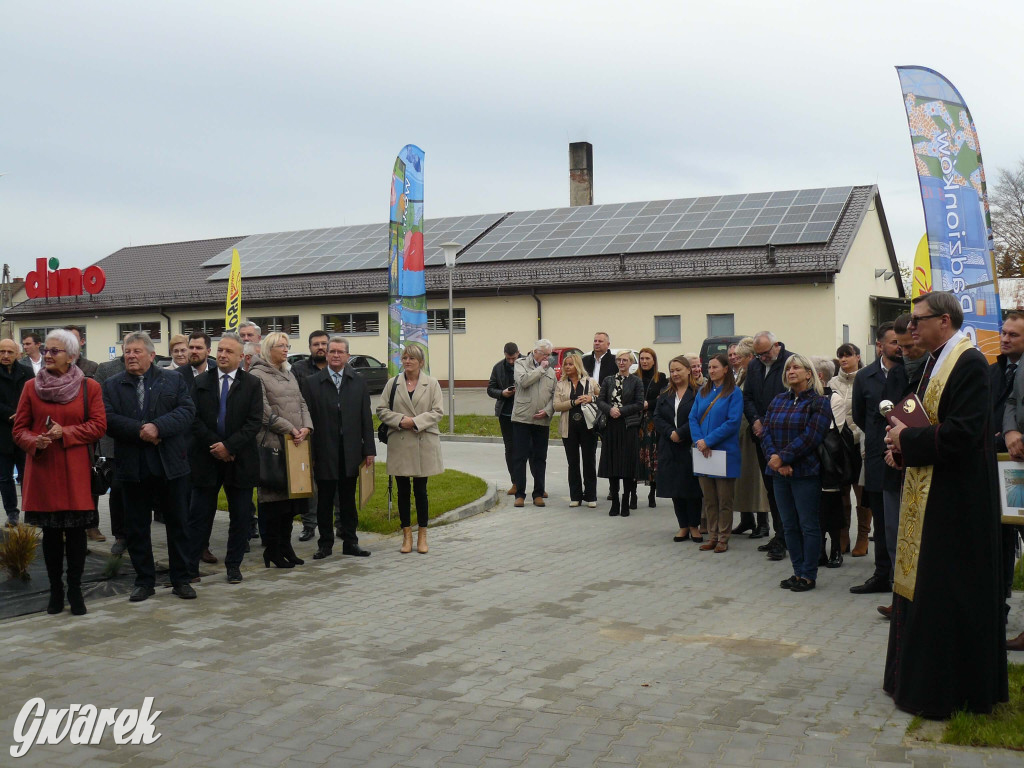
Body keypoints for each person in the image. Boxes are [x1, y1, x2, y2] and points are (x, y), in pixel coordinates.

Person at [883, 291, 1007, 718]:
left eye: (918, 320)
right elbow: (927, 422)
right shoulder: (937, 360)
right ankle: (912, 681)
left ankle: (944, 690)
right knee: (924, 588)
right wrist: (900, 447)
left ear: (945, 321)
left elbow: (963, 434)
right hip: (935, 490)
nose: (911, 328)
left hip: (959, 501)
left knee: (946, 592)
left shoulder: (969, 362)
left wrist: (908, 439)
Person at [12, 330, 106, 615]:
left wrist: (65, 432)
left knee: (77, 535)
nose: (48, 355)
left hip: (76, 470)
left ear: (72, 356)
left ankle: (75, 590)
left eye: (55, 351)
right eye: (47, 350)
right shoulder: (31, 387)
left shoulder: (89, 387)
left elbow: (99, 426)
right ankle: (56, 591)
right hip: (43, 471)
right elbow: (19, 430)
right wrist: (34, 441)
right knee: (51, 536)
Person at [102, 332, 196, 602]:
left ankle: (181, 579)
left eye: (136, 351)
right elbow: (108, 419)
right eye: (127, 351)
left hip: (171, 465)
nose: (130, 356)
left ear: (152, 355)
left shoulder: (173, 379)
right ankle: (144, 581)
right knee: (137, 527)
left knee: (178, 524)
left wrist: (158, 428)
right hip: (133, 466)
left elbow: (186, 411)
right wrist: (140, 430)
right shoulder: (112, 384)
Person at [186, 332, 263, 584]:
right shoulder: (200, 382)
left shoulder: (251, 384)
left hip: (239, 459)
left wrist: (229, 447)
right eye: (220, 350)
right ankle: (190, 568)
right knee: (200, 515)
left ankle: (233, 565)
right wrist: (216, 447)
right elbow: (193, 419)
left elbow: (254, 422)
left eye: (229, 351)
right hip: (206, 458)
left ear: (241, 357)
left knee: (240, 515)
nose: (222, 355)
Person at [762, 354, 831, 592]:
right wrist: (776, 460)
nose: (791, 371)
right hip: (779, 472)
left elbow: (812, 436)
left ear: (809, 373)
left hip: (805, 472)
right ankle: (797, 571)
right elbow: (766, 432)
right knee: (788, 525)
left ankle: (809, 575)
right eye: (788, 368)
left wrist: (785, 457)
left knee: (808, 525)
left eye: (796, 368)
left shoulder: (819, 402)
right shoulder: (778, 400)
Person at [303, 336, 376, 559]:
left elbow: (366, 417)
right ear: (326, 354)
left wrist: (369, 449)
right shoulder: (312, 382)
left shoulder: (358, 381)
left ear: (347, 355)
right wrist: (311, 453)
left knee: (347, 500)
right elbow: (309, 420)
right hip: (324, 450)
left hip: (351, 450)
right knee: (324, 499)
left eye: (340, 352)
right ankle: (325, 544)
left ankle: (350, 542)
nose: (335, 355)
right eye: (331, 351)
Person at [247, 332, 313, 568]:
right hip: (273, 445)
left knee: (290, 502)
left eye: (287, 345)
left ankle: (286, 546)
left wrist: (306, 427)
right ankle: (272, 550)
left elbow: (301, 402)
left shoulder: (288, 372)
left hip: (294, 444)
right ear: (268, 349)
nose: (286, 350)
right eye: (281, 346)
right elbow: (263, 412)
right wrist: (290, 429)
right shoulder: (257, 375)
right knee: (274, 502)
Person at [850, 322, 904, 596]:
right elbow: (860, 415)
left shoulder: (912, 372)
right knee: (883, 521)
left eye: (901, 341)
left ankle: (906, 578)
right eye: (893, 342)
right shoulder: (865, 376)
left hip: (908, 456)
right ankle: (883, 574)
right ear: (880, 346)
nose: (899, 346)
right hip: (877, 457)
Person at [376, 345, 443, 553]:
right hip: (400, 441)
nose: (407, 361)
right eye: (404, 357)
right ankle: (406, 536)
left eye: (412, 358)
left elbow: (438, 411)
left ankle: (422, 535)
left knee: (421, 491)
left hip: (423, 440)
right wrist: (400, 420)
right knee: (402, 491)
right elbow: (381, 410)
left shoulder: (431, 384)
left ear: (421, 362)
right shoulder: (392, 383)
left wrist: (414, 421)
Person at [743, 331, 796, 554]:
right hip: (761, 436)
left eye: (765, 353)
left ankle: (789, 538)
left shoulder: (791, 363)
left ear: (776, 345)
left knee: (785, 489)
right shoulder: (755, 366)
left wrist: (767, 422)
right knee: (771, 489)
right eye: (758, 354)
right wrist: (755, 420)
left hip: (784, 437)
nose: (762, 358)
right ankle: (779, 535)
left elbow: (793, 398)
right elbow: (748, 397)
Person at [689, 353, 743, 553]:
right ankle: (712, 535)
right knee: (709, 499)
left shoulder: (734, 393)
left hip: (724, 453)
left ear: (726, 369)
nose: (711, 371)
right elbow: (693, 417)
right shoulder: (703, 391)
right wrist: (699, 441)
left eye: (715, 367)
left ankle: (723, 537)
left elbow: (733, 422)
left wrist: (708, 440)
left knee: (724, 500)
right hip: (703, 452)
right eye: (709, 367)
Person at [653, 356, 702, 541]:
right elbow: (657, 417)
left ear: (689, 370)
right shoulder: (665, 393)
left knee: (692, 488)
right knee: (675, 487)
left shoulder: (698, 392)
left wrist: (681, 432)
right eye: (672, 370)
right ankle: (682, 525)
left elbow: (699, 416)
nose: (674, 374)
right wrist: (670, 432)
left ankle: (694, 525)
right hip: (669, 445)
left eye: (678, 370)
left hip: (689, 445)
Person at [998, 316, 1024, 652]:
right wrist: (1011, 432)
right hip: (1016, 465)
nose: (1005, 338)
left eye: (1013, 334)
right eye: (1003, 332)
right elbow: (1012, 403)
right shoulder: (1011, 369)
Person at [291, 329, 332, 542]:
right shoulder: (299, 369)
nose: (320, 347)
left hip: (333, 434)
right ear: (310, 348)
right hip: (308, 431)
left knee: (336, 479)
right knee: (309, 481)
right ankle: (309, 525)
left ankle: (341, 523)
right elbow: (297, 400)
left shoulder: (338, 367)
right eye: (316, 344)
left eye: (324, 344)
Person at [827, 343, 865, 556]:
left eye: (848, 355)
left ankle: (862, 536)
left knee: (861, 493)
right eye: (840, 356)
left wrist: (858, 434)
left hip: (860, 443)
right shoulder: (833, 383)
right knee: (841, 494)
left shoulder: (866, 379)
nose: (843, 359)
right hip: (839, 445)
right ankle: (843, 536)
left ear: (858, 357)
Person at [597, 350, 644, 517]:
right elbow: (600, 400)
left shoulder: (636, 381)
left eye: (625, 360)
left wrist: (621, 411)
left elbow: (639, 404)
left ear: (631, 363)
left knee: (627, 466)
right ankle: (615, 500)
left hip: (628, 427)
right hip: (610, 426)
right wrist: (610, 410)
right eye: (619, 360)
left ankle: (626, 499)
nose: (622, 363)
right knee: (613, 465)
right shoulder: (608, 380)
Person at [731, 338, 770, 536]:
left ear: (749, 356)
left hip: (753, 432)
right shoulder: (741, 375)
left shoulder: (755, 374)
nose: (736, 360)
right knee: (744, 479)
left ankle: (763, 522)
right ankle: (747, 519)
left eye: (740, 357)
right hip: (741, 433)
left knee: (758, 481)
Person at [510, 340, 556, 508]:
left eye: (550, 355)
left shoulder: (550, 371)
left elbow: (554, 395)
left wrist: (548, 410)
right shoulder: (521, 364)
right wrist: (540, 369)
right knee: (520, 457)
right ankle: (520, 494)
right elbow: (523, 381)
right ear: (536, 352)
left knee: (540, 458)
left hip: (541, 420)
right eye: (545, 354)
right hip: (522, 418)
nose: (548, 358)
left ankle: (538, 493)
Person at [553, 352, 600, 507]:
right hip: (569, 428)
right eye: (566, 364)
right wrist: (573, 402)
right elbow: (556, 405)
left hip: (588, 427)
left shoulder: (590, 382)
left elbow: (602, 398)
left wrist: (591, 398)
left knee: (589, 462)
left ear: (578, 365)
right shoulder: (561, 384)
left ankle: (591, 496)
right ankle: (575, 496)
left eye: (570, 364)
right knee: (572, 463)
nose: (567, 367)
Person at [816, 357, 845, 568]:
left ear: (819, 376)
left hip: (828, 462)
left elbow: (833, 430)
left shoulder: (835, 399)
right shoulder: (801, 397)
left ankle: (836, 548)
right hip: (808, 461)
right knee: (813, 507)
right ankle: (818, 549)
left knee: (832, 507)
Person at [0, 339, 30, 526]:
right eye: (2, 351)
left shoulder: (27, 372)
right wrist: (11, 414)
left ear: (18, 354)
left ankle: (32, 510)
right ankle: (12, 512)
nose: (5, 355)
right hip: (2, 432)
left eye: (10, 352)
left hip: (24, 431)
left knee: (27, 474)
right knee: (4, 477)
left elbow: (34, 396)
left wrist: (22, 415)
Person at [487, 342, 520, 496]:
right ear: (504, 355)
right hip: (505, 413)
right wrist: (502, 393)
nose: (511, 361)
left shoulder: (527, 363)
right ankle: (515, 482)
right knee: (510, 449)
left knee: (530, 449)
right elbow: (490, 389)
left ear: (518, 353)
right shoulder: (498, 367)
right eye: (508, 359)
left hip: (524, 413)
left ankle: (538, 486)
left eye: (513, 358)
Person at [637, 347, 666, 509]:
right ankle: (632, 493)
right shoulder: (634, 378)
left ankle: (652, 493)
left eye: (648, 358)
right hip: (637, 421)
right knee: (637, 455)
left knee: (653, 455)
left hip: (653, 421)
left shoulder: (661, 378)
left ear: (654, 360)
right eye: (642, 358)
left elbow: (662, 398)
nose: (644, 361)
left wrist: (649, 403)